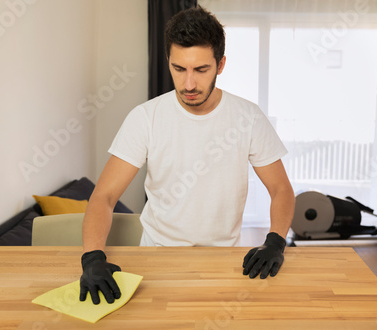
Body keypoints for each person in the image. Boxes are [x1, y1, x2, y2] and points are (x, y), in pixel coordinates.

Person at [79, 6, 295, 305]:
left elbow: (281, 189)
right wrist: (92, 257)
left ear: (220, 65)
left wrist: (275, 241)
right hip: (155, 257)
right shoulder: (146, 118)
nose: (188, 84)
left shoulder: (248, 117)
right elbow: (103, 196)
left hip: (224, 260)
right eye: (179, 69)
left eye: (201, 70)